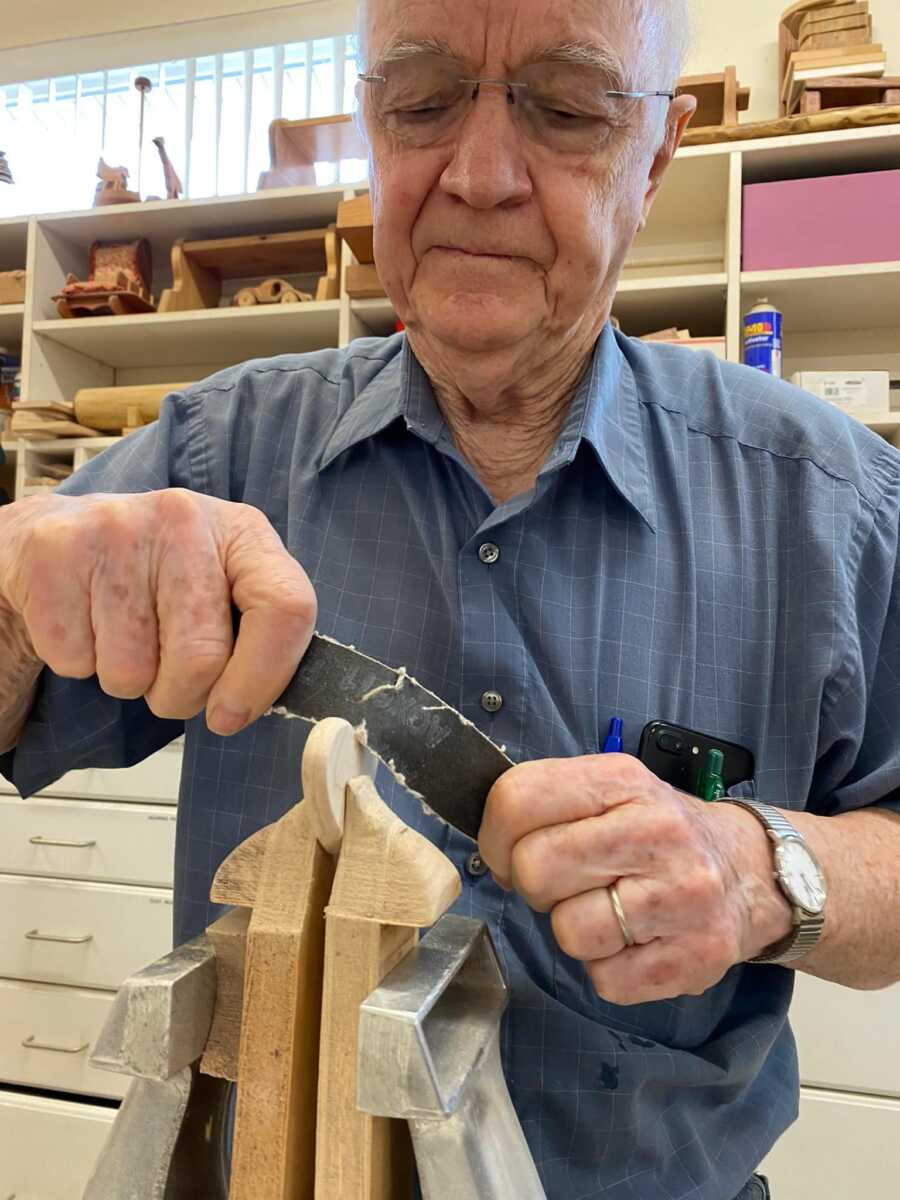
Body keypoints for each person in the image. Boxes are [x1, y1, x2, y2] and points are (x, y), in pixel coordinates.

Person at [2, 2, 900, 1197]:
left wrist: (761, 875)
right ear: (373, 120)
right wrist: (16, 590)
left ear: (659, 152)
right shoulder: (217, 454)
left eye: (567, 108)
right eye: (423, 101)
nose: (479, 177)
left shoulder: (830, 503)